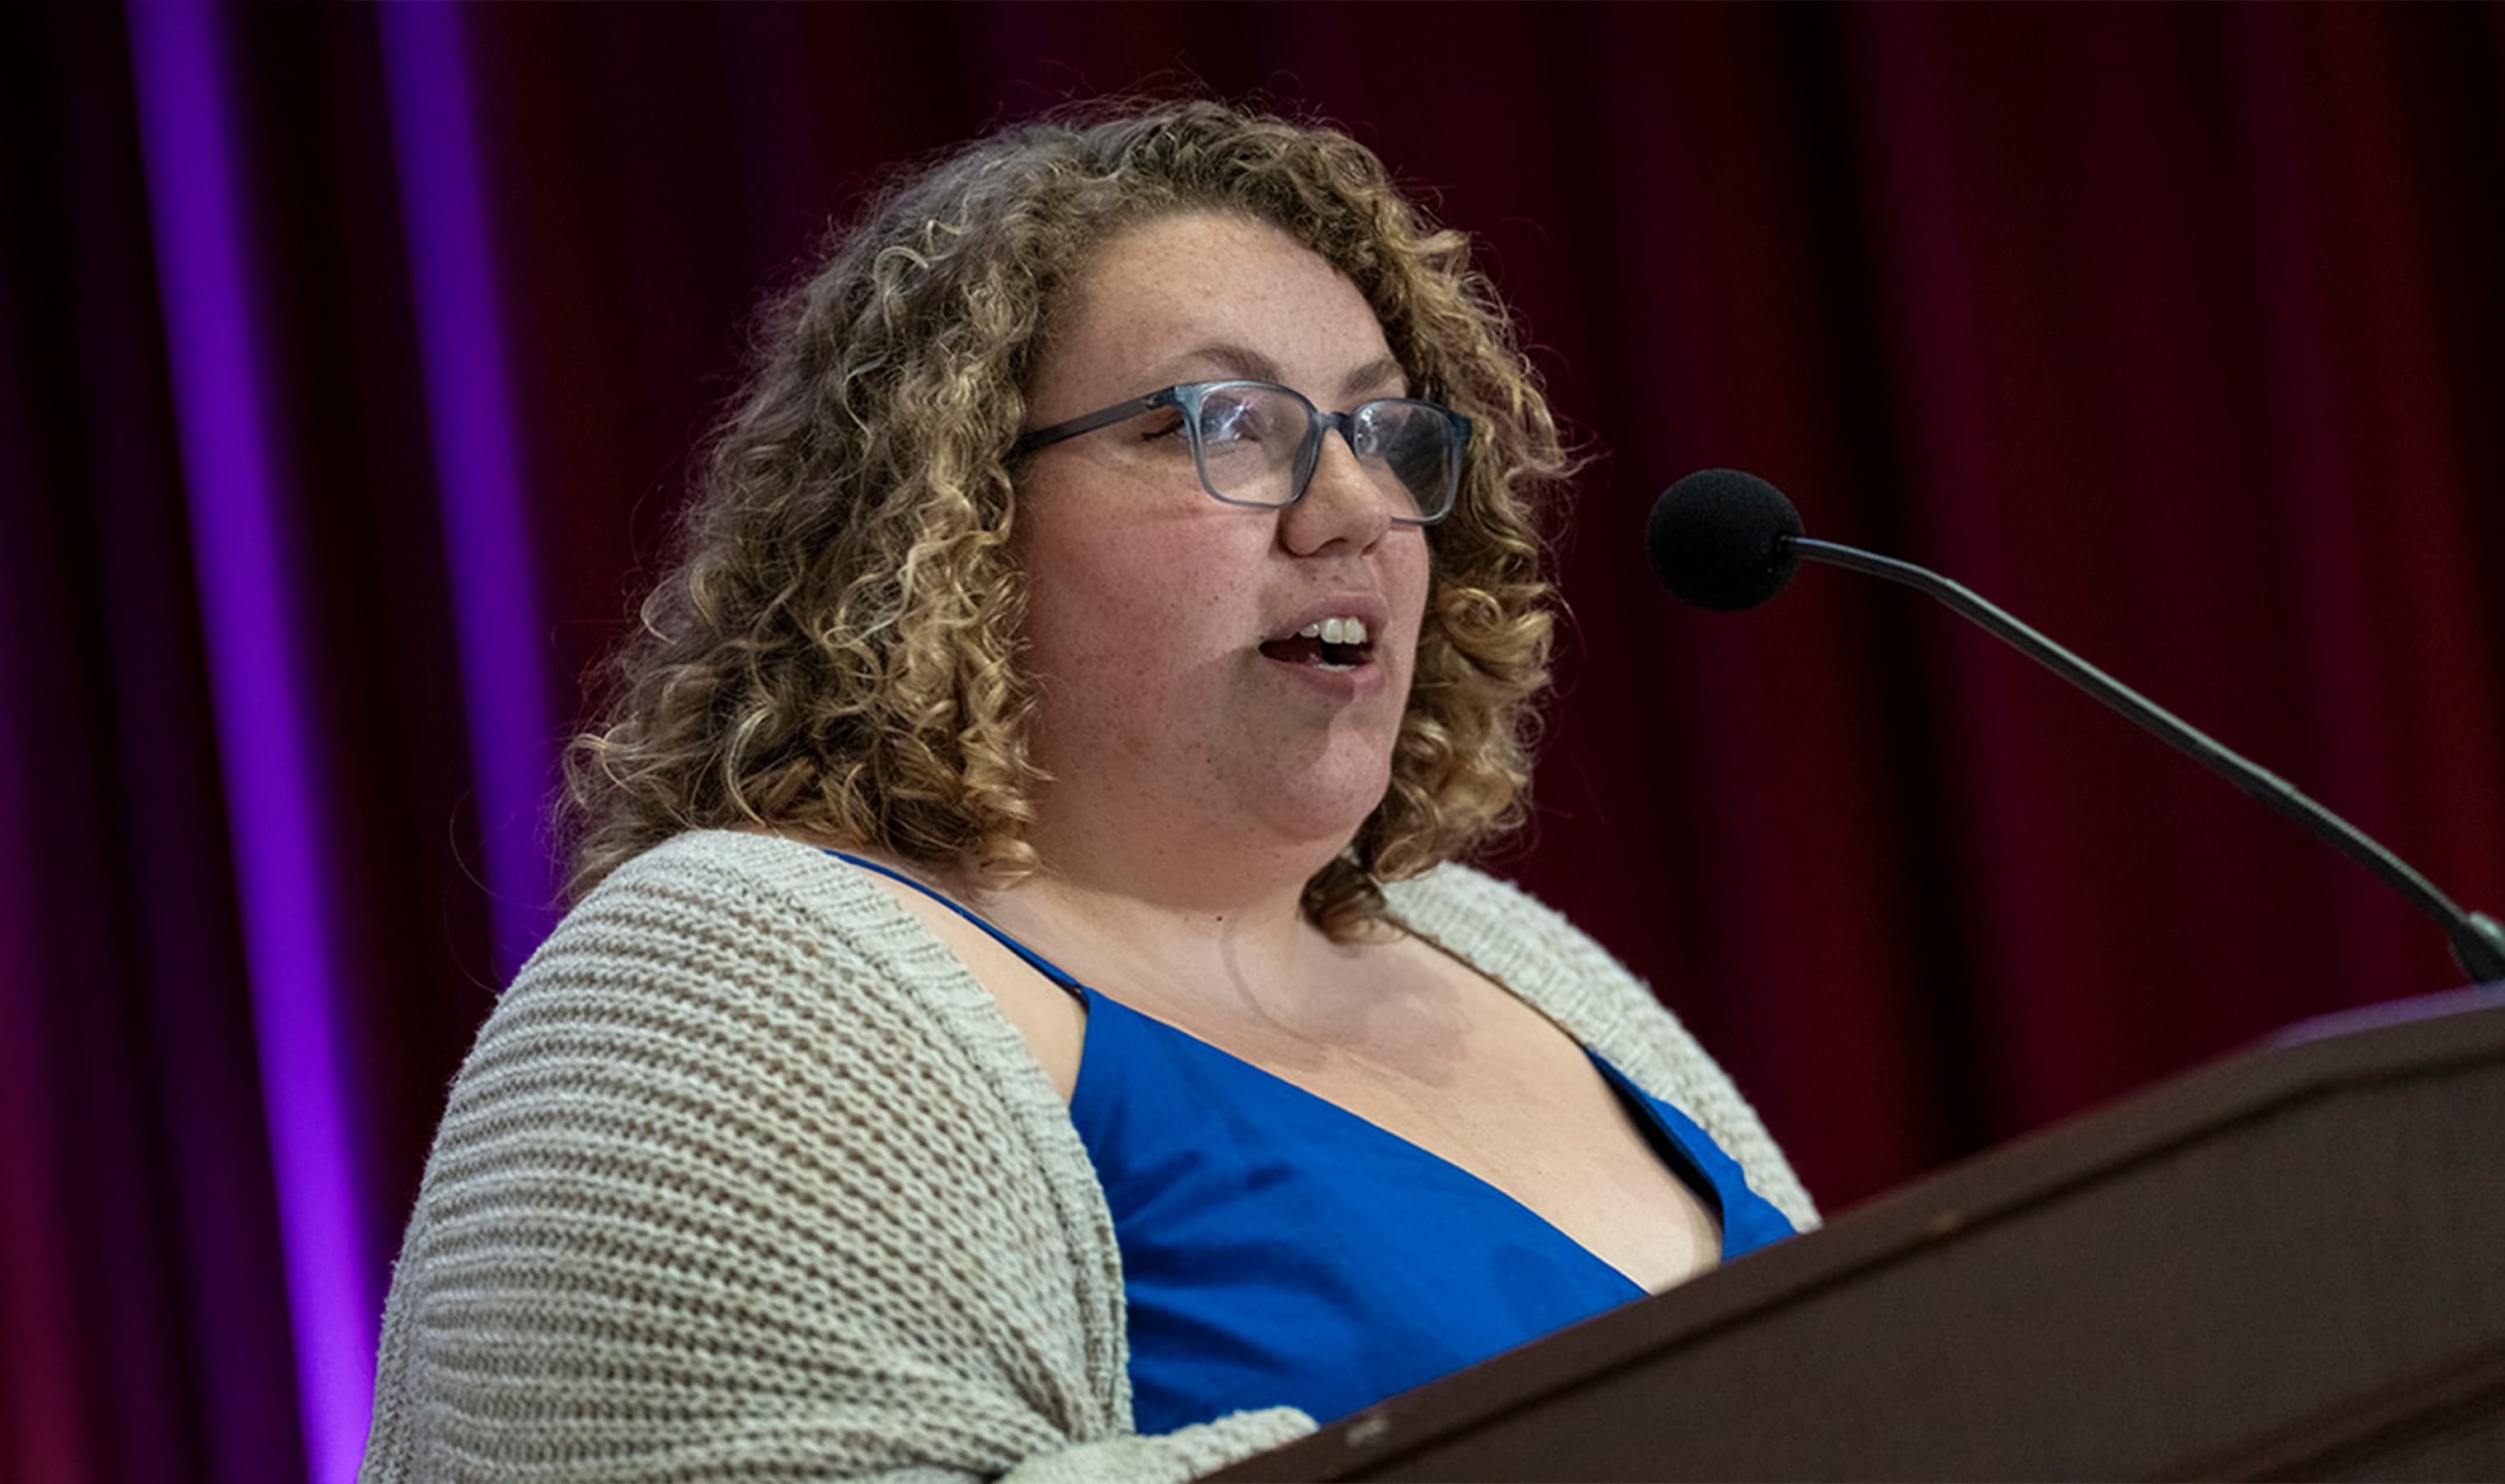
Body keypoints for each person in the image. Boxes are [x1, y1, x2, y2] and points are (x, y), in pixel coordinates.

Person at [363, 98, 1816, 1482]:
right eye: (1226, 426)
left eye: (1384, 434)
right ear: (950, 520)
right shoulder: (721, 988)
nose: (1358, 509)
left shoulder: (1515, 960)